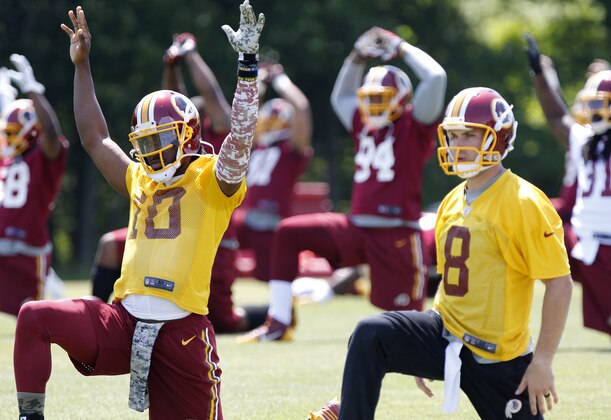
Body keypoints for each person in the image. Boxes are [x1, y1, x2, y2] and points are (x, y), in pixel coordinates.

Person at [12, 3, 263, 420]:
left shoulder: (210, 180)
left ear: (186, 135)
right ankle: (29, 415)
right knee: (34, 315)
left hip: (182, 333)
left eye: (159, 139)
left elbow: (239, 143)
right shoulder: (140, 177)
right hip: (123, 322)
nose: (149, 151)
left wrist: (248, 69)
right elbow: (95, 138)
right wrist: (82, 65)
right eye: (143, 142)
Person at [309, 87, 573, 420]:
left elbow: (559, 283)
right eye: (454, 135)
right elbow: (450, 284)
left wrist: (544, 362)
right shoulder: (452, 200)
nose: (458, 145)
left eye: (470, 136)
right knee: (371, 334)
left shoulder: (524, 202)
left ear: (499, 137)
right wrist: (424, 349)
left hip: (498, 358)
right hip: (448, 335)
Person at [238, 26, 446, 342]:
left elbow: (436, 77)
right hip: (357, 227)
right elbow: (342, 96)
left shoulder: (414, 127)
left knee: (407, 327)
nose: (373, 106)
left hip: (397, 235)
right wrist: (356, 56)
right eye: (370, 99)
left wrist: (400, 47)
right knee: (289, 232)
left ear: (403, 100)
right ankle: (279, 321)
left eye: (382, 99)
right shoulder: (363, 124)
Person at [89, 31, 267, 333]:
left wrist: (191, 53)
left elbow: (226, 114)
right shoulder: (154, 160)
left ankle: (273, 311)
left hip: (205, 232)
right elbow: (166, 106)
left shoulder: (214, 152)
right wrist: (171, 65)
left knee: (221, 321)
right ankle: (99, 319)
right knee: (110, 245)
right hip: (160, 227)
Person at [527, 39, 611, 337]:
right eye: (592, 105)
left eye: (600, 105)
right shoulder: (586, 139)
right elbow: (556, 116)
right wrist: (540, 75)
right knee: (522, 235)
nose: (593, 111)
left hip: (605, 247)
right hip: (581, 241)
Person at [0, 54, 68, 316]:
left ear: (31, 131)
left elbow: (52, 133)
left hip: (27, 247)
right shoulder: (6, 157)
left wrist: (33, 90)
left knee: (30, 315)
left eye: (11, 133)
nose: (4, 140)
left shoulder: (42, 158)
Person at [231, 58, 313, 283]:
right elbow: (247, 113)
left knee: (272, 279)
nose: (271, 125)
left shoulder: (291, 149)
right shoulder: (258, 145)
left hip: (272, 222)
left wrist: (281, 81)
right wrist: (260, 84)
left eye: (277, 121)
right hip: (245, 216)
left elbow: (301, 108)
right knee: (214, 232)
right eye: (269, 120)